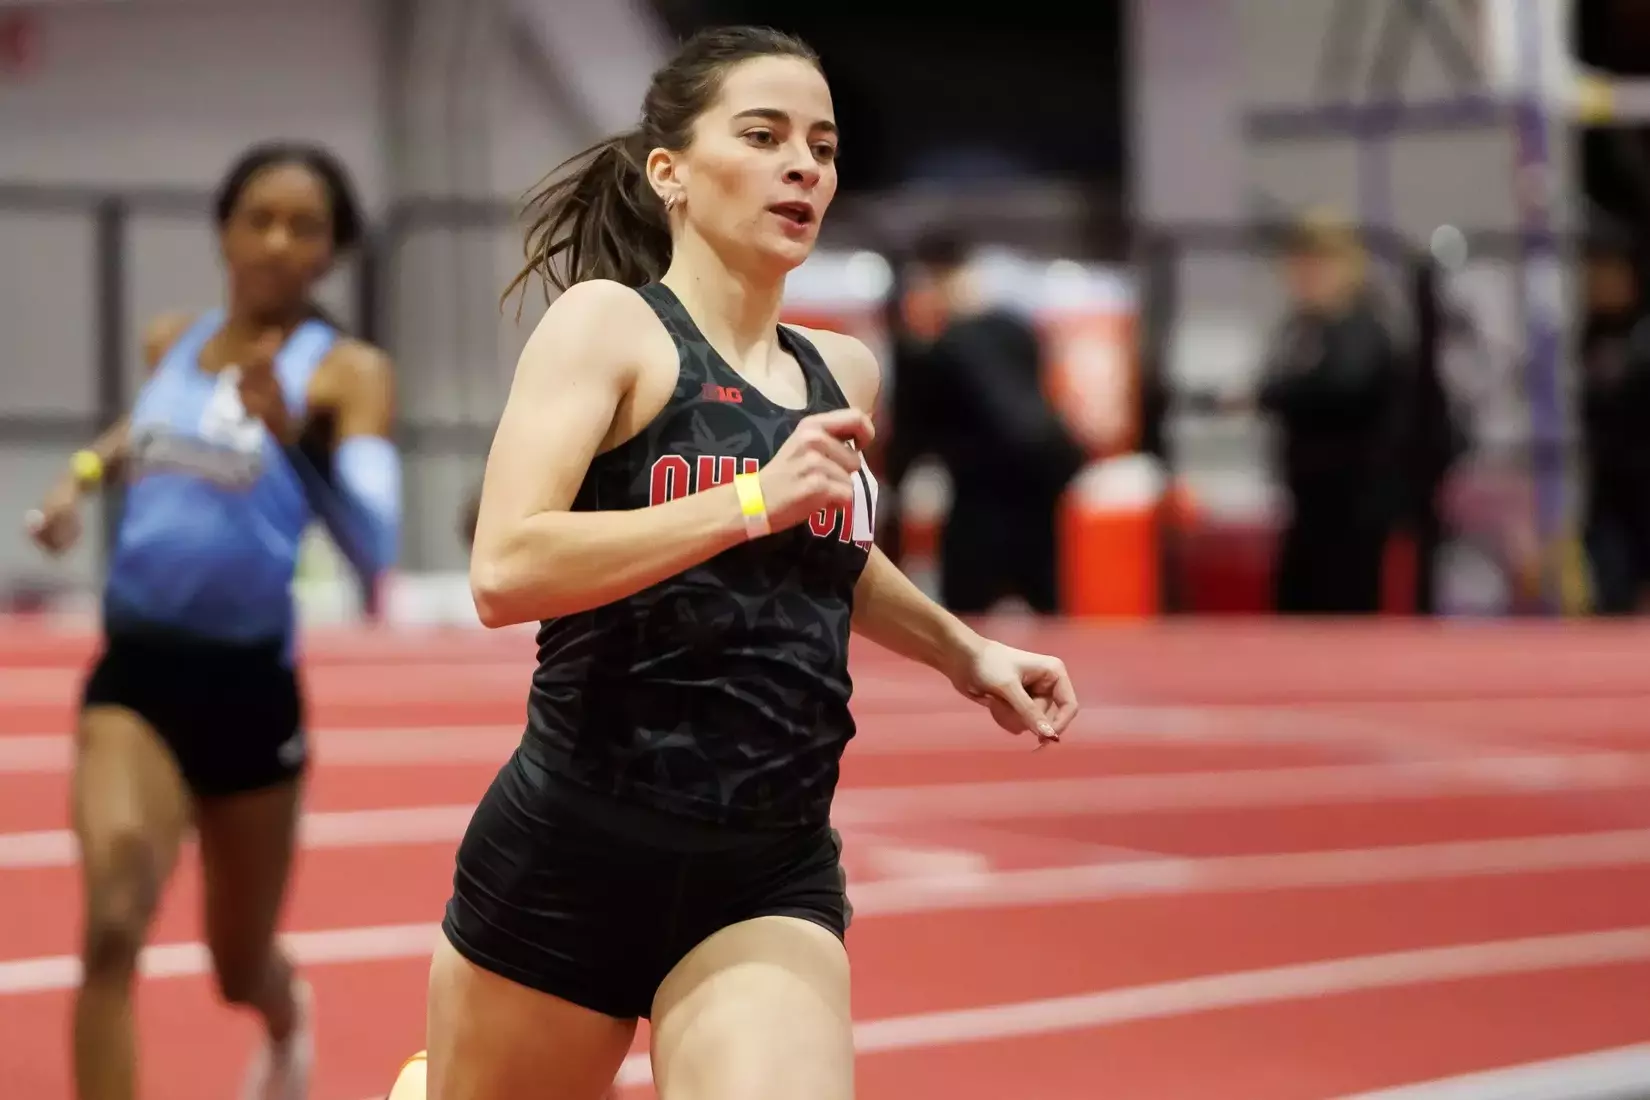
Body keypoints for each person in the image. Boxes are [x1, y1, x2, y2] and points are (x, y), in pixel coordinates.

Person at [384, 24, 1077, 1100]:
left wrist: (962, 648)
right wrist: (749, 498)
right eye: (763, 136)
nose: (804, 165)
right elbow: (506, 566)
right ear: (671, 172)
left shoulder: (842, 368)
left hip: (768, 862)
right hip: (573, 849)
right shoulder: (609, 328)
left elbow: (831, 552)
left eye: (824, 146)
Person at [25, 142, 401, 1100]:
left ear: (331, 252)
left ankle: (285, 1014)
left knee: (237, 967)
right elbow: (145, 430)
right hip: (138, 675)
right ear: (225, 229)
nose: (277, 241)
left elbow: (375, 548)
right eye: (259, 218)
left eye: (304, 226)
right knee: (113, 921)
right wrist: (77, 482)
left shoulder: (345, 373)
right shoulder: (170, 340)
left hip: (248, 692)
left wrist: (293, 441)